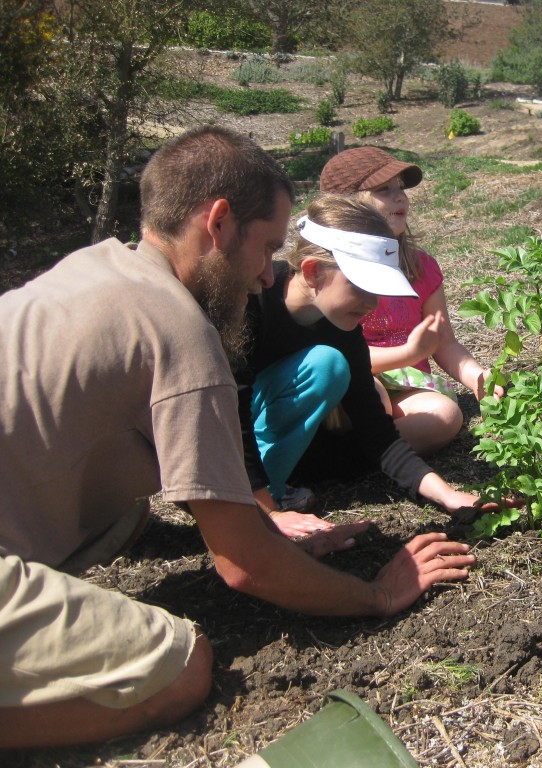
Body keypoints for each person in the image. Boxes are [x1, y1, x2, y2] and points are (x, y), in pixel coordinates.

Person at [0, 126, 476, 749]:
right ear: (219, 223)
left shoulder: (97, 264)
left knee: (125, 509)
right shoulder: (181, 331)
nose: (262, 277)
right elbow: (244, 567)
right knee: (182, 669)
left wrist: (262, 525)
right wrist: (376, 593)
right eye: (266, 249)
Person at [234, 194, 501, 539]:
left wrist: (448, 495)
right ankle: (253, 499)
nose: (373, 303)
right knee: (325, 364)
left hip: (262, 450)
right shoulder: (250, 305)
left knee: (333, 365)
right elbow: (228, 414)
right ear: (313, 271)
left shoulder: (341, 328)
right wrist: (264, 511)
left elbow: (377, 431)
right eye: (362, 286)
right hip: (221, 453)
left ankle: (275, 486)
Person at [319, 146, 503, 455]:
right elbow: (338, 354)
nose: (400, 197)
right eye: (384, 190)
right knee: (373, 398)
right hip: (357, 377)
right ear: (347, 206)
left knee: (445, 416)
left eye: (401, 189)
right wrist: (408, 352)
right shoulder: (332, 272)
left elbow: (442, 341)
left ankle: (345, 456)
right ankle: (356, 452)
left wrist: (476, 376)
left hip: (407, 384)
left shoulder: (420, 267)